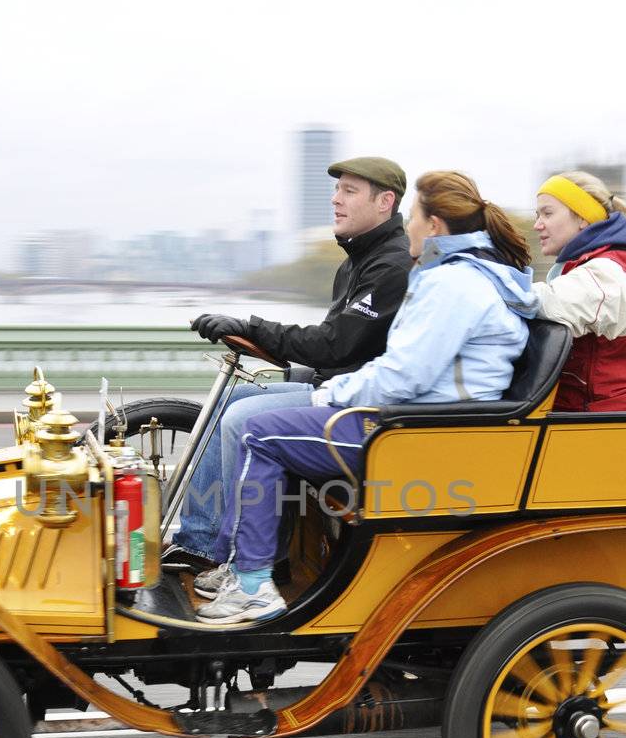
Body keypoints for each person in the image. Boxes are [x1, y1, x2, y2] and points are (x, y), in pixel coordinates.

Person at [196, 171, 538, 624]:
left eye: (413, 216)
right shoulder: (462, 277)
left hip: (413, 431)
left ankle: (254, 586)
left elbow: (402, 376)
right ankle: (244, 568)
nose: (407, 225)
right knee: (258, 424)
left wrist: (329, 396)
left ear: (434, 226)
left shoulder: (453, 285)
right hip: (418, 422)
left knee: (259, 432)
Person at [168, 157, 413, 579]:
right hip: (336, 389)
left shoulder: (391, 267)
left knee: (243, 418)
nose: (335, 200)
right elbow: (333, 340)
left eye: (349, 191)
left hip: (362, 407)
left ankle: (252, 562)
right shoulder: (359, 259)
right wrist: (256, 334)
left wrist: (251, 327)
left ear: (385, 201)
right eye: (337, 191)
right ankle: (201, 543)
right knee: (227, 403)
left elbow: (334, 345)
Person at [530, 171, 626, 411]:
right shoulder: (592, 268)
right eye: (537, 215)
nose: (537, 225)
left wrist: (491, 288)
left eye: (547, 213)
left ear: (583, 218)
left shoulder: (604, 273)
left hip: (619, 417)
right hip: (598, 410)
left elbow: (544, 302)